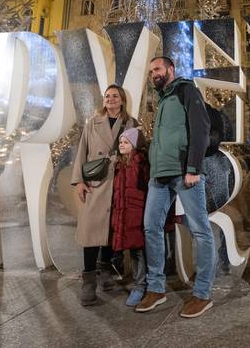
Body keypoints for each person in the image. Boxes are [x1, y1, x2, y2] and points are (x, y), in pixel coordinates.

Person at [135, 56, 215, 318]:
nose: (153, 74)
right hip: (159, 175)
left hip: (184, 173)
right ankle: (156, 289)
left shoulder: (185, 90)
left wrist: (193, 168)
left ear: (170, 69)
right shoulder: (162, 99)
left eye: (157, 69)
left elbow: (201, 129)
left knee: (201, 231)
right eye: (150, 71)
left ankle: (202, 294)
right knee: (151, 227)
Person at [70, 84, 138, 306]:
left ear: (122, 100)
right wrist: (79, 180)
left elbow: (138, 152)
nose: (110, 99)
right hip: (96, 183)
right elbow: (82, 151)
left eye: (115, 96)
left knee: (111, 228)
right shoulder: (93, 123)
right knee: (91, 231)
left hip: (119, 181)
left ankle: (106, 271)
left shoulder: (131, 123)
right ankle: (89, 280)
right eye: (107, 96)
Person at [111, 127, 150, 306]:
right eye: (120, 142)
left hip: (138, 214)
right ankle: (139, 283)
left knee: (139, 251)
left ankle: (140, 285)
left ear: (134, 144)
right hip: (126, 214)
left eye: (126, 142)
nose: (121, 145)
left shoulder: (140, 162)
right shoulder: (120, 164)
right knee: (134, 251)